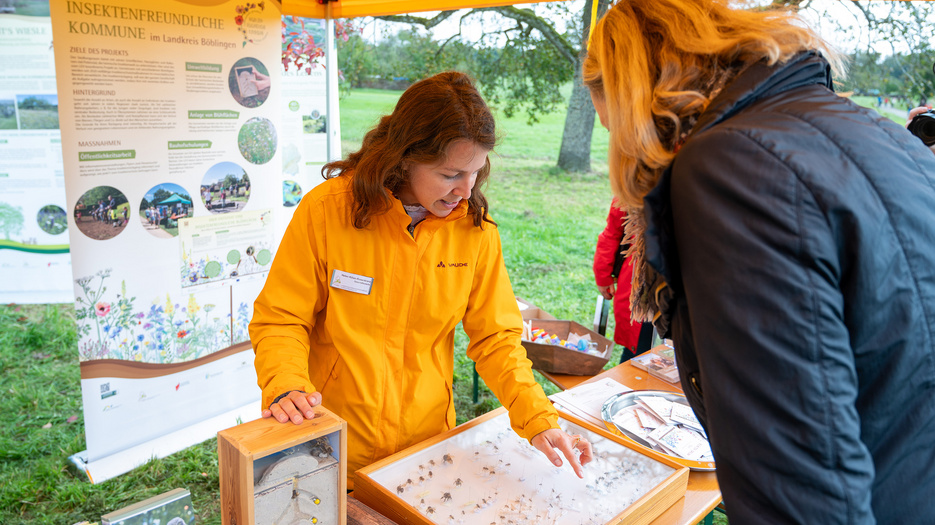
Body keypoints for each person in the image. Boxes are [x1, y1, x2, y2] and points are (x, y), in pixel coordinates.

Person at [584, 1, 935, 523]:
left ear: (635, 94)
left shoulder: (731, 168)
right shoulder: (875, 131)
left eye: (615, 125)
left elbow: (797, 486)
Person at [249, 71, 592, 489]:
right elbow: (281, 318)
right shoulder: (327, 211)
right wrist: (286, 386)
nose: (466, 192)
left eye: (476, 172)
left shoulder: (476, 232)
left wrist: (538, 419)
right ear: (404, 156)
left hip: (426, 450)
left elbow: (497, 340)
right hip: (333, 444)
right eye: (450, 175)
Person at [592, 199, 642, 357]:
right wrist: (603, 275)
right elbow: (612, 233)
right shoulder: (634, 184)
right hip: (637, 281)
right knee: (637, 348)